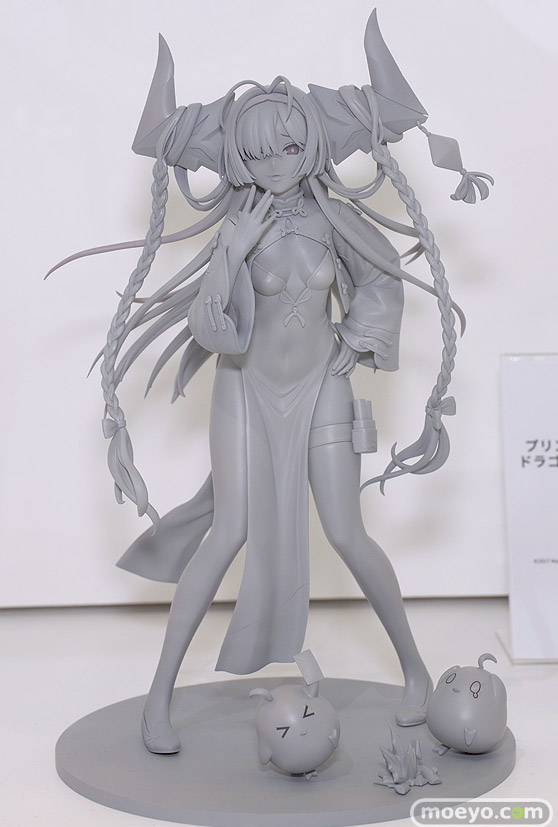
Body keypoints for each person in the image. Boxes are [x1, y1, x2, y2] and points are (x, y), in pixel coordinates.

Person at [50, 13, 488, 755]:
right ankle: (159, 697)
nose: (276, 161)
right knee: (228, 531)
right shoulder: (238, 226)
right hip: (245, 390)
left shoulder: (335, 221)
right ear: (237, 158)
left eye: (288, 145)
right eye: (256, 150)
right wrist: (235, 249)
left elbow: (383, 281)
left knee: (346, 531)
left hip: (321, 388)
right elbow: (214, 330)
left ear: (311, 143)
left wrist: (358, 339)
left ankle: (415, 671)